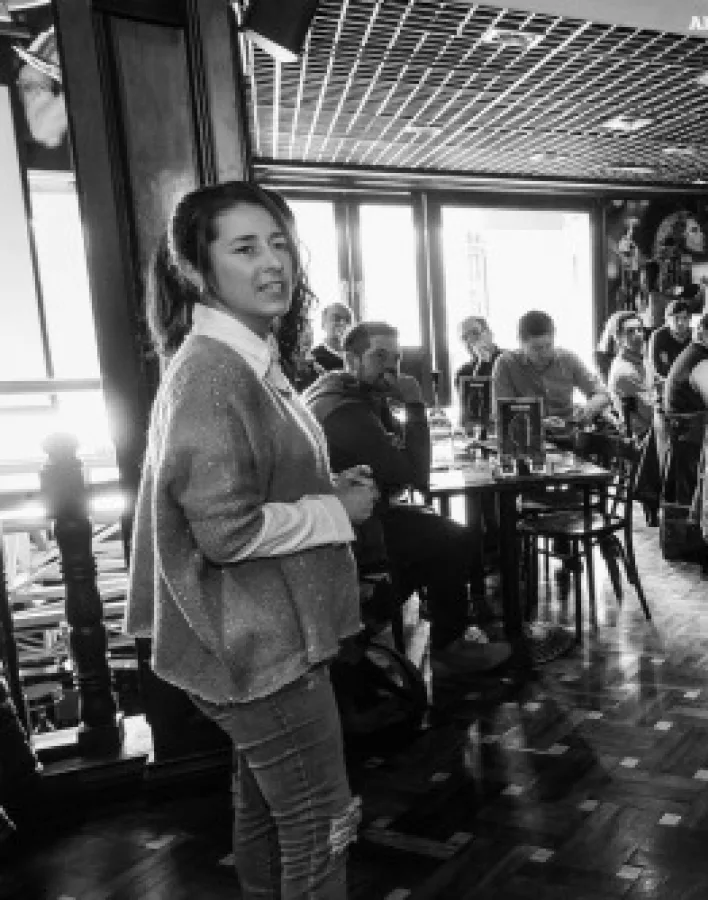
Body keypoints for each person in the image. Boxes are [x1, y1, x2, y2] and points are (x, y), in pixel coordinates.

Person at [129, 181, 375, 898]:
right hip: (256, 642)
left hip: (253, 634)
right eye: (244, 248)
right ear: (195, 268)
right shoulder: (213, 370)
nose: (272, 263)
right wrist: (337, 512)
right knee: (322, 822)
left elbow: (251, 488)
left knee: (268, 812)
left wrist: (323, 487)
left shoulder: (242, 356)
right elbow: (227, 532)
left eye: (278, 244)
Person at [304, 321, 513, 679]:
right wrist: (416, 403)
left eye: (396, 359)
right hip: (348, 531)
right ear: (351, 359)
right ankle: (440, 647)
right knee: (454, 539)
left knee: (438, 535)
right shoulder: (346, 412)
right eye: (379, 356)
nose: (391, 368)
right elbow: (415, 475)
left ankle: (367, 635)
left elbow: (399, 455)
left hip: (352, 517)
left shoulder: (345, 392)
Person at [490, 310, 610, 424]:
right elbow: (502, 414)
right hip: (526, 433)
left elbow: (603, 394)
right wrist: (539, 423)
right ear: (521, 343)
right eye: (536, 349)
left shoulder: (568, 359)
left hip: (568, 430)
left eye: (549, 345)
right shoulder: (506, 364)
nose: (544, 353)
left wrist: (590, 406)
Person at [662, 308, 708, 414]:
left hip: (685, 423)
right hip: (690, 424)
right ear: (704, 334)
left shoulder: (696, 353)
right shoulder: (702, 363)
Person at [605, 311, 654, 439]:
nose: (637, 335)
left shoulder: (642, 360)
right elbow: (651, 412)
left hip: (654, 430)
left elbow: (657, 383)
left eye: (639, 330)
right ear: (618, 338)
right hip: (644, 438)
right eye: (630, 331)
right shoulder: (625, 372)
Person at [648, 299, 693, 384]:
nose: (680, 322)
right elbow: (658, 369)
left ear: (690, 319)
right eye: (676, 318)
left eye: (684, 318)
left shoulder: (694, 336)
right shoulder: (659, 336)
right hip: (665, 384)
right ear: (667, 319)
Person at [454, 315, 500, 381]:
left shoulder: (511, 360)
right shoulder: (463, 373)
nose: (470, 340)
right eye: (465, 338)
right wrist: (482, 363)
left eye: (475, 333)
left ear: (489, 333)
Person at [312, 302, 353, 372]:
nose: (342, 323)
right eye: (336, 318)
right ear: (323, 324)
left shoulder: (357, 357)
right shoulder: (314, 358)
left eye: (347, 320)